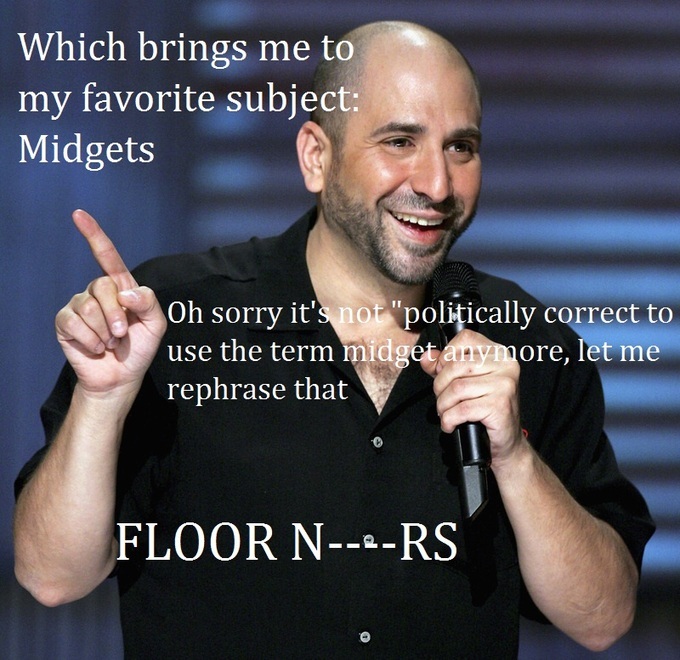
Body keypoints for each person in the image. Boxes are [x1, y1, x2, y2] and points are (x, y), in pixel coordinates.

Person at [14, 21, 654, 658]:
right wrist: (101, 402)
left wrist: (514, 458)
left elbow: (603, 618)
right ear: (316, 157)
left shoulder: (527, 341)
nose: (437, 184)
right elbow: (51, 576)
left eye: (461, 147)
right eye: (400, 141)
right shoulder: (174, 318)